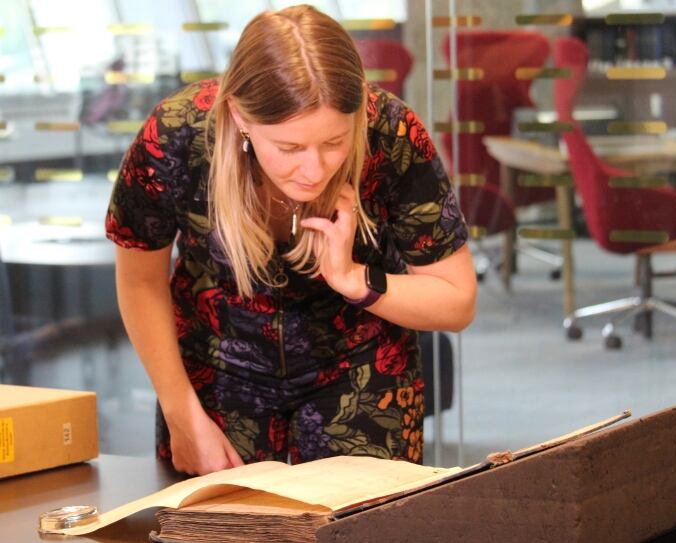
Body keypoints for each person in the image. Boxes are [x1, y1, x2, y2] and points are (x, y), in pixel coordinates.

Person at [107, 4, 476, 476]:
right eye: (289, 148)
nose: (314, 169)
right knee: (222, 528)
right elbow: (140, 283)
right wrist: (181, 413)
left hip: (358, 361)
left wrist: (354, 279)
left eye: (334, 143)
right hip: (217, 364)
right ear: (240, 116)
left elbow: (456, 300)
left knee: (362, 526)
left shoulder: (392, 133)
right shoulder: (177, 137)